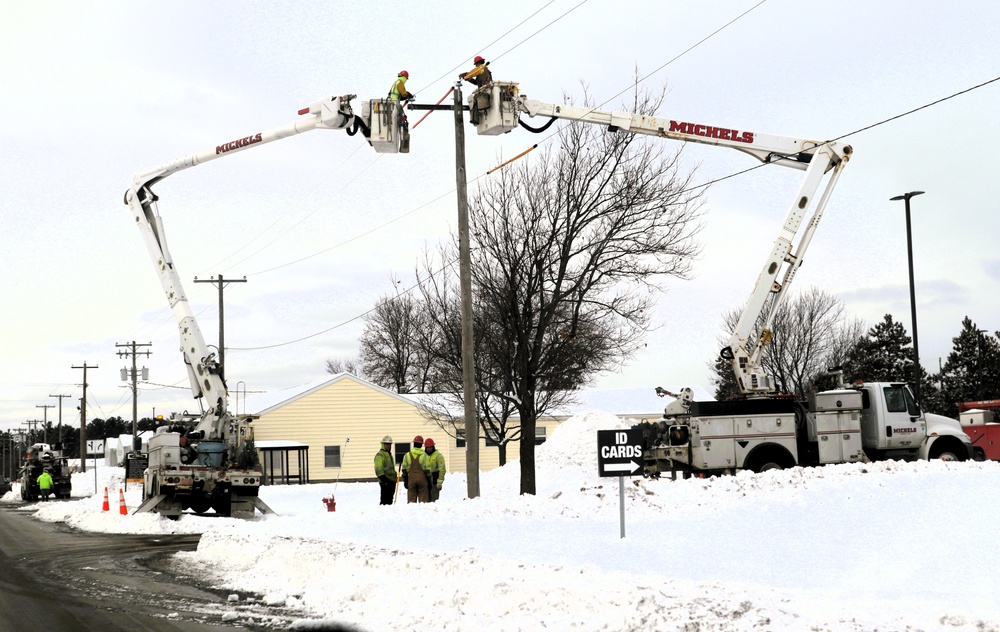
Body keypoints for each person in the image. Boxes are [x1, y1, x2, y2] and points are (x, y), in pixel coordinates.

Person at [459, 56, 493, 125]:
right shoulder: (483, 70)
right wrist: (468, 78)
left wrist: (466, 75)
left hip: (485, 90)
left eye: (476, 64)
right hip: (485, 89)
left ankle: (475, 119)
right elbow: (476, 82)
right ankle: (478, 117)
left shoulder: (481, 69)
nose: (476, 66)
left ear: (478, 63)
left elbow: (473, 73)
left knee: (474, 102)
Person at [388, 70, 414, 153]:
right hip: (394, 103)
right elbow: (403, 93)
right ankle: (403, 131)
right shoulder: (400, 83)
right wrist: (408, 95)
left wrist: (406, 97)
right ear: (405, 78)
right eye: (406, 78)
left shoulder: (396, 82)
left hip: (391, 102)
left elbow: (398, 95)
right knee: (403, 118)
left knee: (400, 117)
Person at [400, 435, 430, 503]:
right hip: (422, 480)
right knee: (423, 501)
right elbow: (428, 470)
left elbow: (404, 470)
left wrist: (405, 481)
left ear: (414, 444)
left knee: (411, 500)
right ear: (421, 445)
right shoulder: (425, 455)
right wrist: (429, 481)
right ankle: (423, 511)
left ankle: (411, 511)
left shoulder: (407, 455)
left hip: (411, 480)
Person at [374, 436, 396, 506]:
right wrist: (385, 480)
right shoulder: (380, 455)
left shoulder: (389, 455)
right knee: (385, 501)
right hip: (385, 481)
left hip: (391, 481)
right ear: (383, 444)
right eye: (387, 444)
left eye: (389, 444)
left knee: (389, 501)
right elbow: (378, 469)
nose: (389, 446)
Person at [423, 437, 446, 502]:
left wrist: (439, 482)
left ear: (433, 447)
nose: (429, 449)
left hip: (434, 483)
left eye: (430, 447)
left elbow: (442, 470)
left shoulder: (438, 456)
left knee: (434, 501)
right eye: (428, 447)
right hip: (425, 483)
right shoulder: (423, 456)